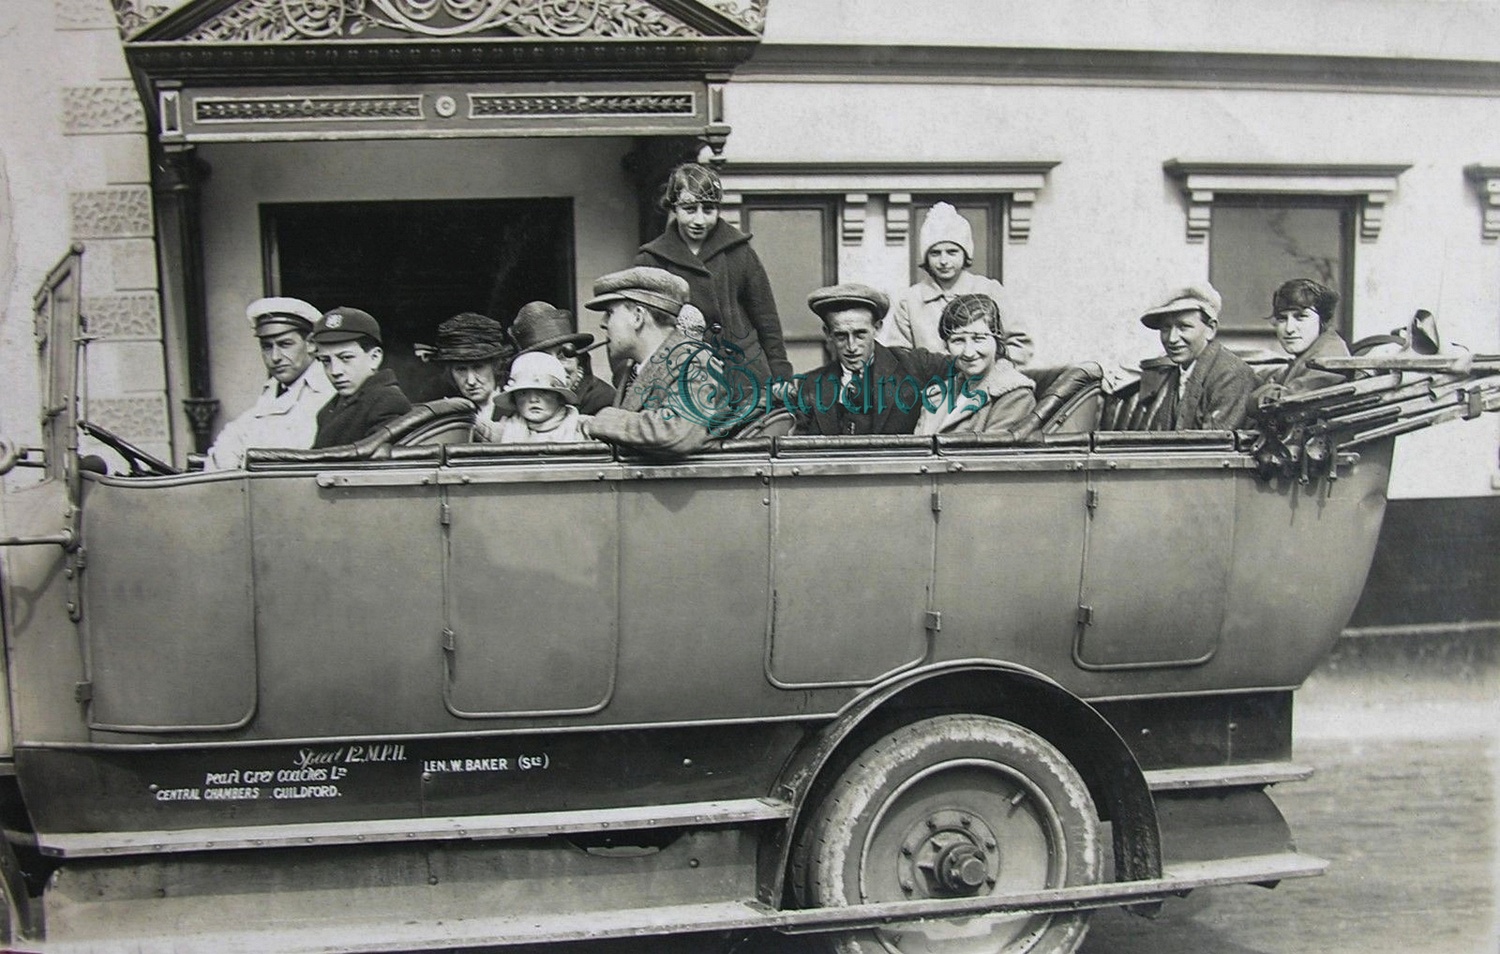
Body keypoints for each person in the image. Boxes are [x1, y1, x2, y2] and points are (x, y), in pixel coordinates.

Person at [634, 162, 793, 387]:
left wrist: (780, 373)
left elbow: (766, 319)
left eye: (708, 209)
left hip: (745, 374)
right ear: (674, 209)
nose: (699, 220)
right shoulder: (651, 260)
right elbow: (642, 328)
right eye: (689, 209)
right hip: (685, 378)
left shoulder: (740, 252)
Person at [578, 267, 730, 456]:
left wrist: (602, 421)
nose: (603, 323)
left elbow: (678, 432)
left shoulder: (693, 362)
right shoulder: (636, 369)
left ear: (638, 316)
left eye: (610, 312)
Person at [880, 201, 1034, 366]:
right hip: (932, 387)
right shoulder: (910, 301)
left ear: (965, 253)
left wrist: (990, 367)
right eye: (935, 253)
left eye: (952, 252)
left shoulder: (989, 290)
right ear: (926, 257)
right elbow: (899, 357)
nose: (944, 261)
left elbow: (1020, 345)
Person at [793, 283, 956, 436]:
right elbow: (800, 451)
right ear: (828, 333)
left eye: (860, 335)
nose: (851, 346)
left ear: (877, 328)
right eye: (841, 336)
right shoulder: (810, 386)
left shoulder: (916, 366)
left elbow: (969, 368)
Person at [205, 297, 334, 470]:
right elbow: (228, 443)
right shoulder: (274, 389)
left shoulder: (326, 387)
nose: (275, 357)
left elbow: (291, 452)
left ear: (311, 344)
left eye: (285, 344)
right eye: (267, 346)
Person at [1133, 282, 1257, 431]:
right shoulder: (1178, 370)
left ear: (1210, 329)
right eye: (1166, 328)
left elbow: (1216, 446)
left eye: (1184, 327)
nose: (1172, 338)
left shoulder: (1232, 375)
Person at [915, 294, 1036, 436]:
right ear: (946, 346)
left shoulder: (1015, 396)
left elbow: (991, 455)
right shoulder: (938, 395)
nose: (969, 352)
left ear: (997, 341)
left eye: (979, 339)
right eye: (958, 340)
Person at [310, 307, 413, 448]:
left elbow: (378, 465)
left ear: (374, 357)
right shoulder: (330, 409)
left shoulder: (387, 402)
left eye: (346, 358)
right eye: (326, 360)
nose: (335, 371)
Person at [1249, 278, 1351, 407]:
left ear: (1323, 320)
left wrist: (1256, 394)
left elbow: (1284, 404)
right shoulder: (1312, 352)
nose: (1289, 329)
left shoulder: (1329, 358)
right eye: (1282, 319)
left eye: (1301, 317)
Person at [510, 300, 615, 414]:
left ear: (578, 358)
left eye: (564, 355)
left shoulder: (603, 401)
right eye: (543, 359)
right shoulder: (513, 405)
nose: (557, 366)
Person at [416, 311, 513, 433]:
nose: (471, 381)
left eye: (478, 367)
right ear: (450, 372)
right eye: (461, 369)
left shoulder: (519, 406)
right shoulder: (446, 413)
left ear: (496, 365)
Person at [479, 352, 586, 444]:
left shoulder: (580, 426)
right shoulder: (506, 429)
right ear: (514, 399)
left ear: (559, 397)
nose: (533, 399)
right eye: (523, 393)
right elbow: (479, 427)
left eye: (544, 392)